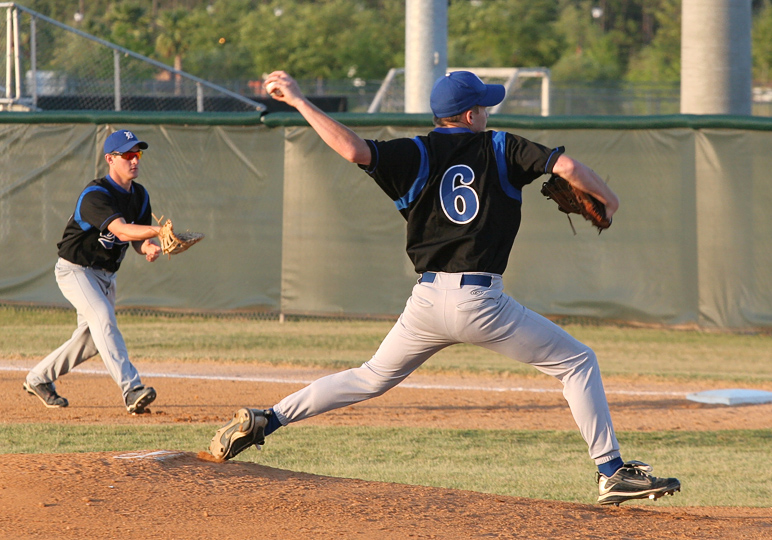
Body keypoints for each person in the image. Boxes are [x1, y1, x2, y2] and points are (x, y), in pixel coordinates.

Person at [210, 71, 681, 505]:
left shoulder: (414, 152)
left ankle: (267, 418)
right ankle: (611, 471)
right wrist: (611, 199)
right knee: (577, 362)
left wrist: (296, 99)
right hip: (481, 301)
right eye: (485, 108)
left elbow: (353, 149)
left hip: (427, 300)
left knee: (369, 377)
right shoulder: (500, 146)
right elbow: (568, 167)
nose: (489, 114)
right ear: (472, 114)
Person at [24, 129, 161, 415]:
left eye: (138, 154)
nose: (134, 160)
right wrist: (159, 230)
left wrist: (148, 247)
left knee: (88, 342)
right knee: (103, 318)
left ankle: (38, 378)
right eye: (128, 155)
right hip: (76, 270)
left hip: (106, 276)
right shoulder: (95, 195)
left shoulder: (140, 195)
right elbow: (121, 229)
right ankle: (132, 389)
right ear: (111, 159)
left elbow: (135, 239)